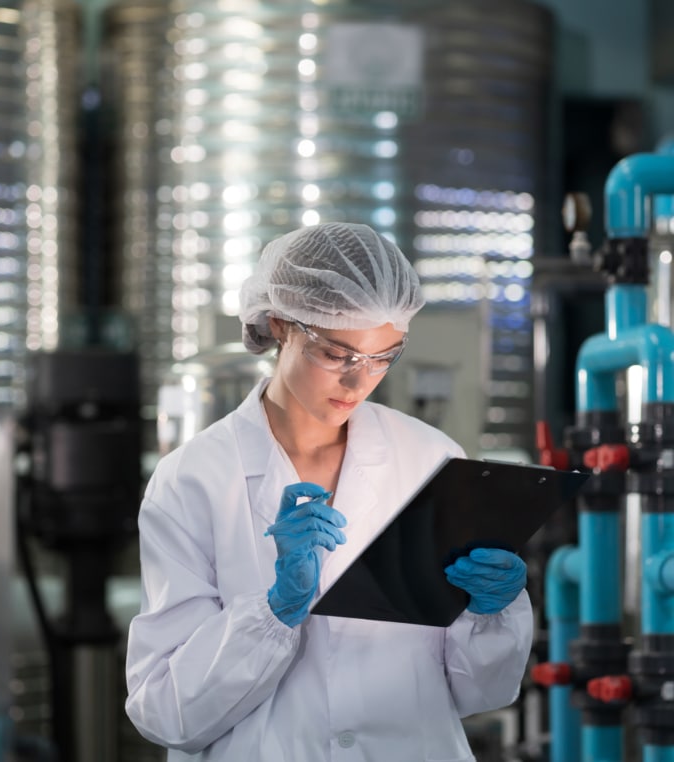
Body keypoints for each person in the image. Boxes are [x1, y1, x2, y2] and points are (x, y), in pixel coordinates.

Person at [125, 222, 533, 761]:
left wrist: (491, 614)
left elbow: (478, 692)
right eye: (339, 354)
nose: (358, 381)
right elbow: (167, 713)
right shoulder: (193, 480)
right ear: (280, 325)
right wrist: (272, 614)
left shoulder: (430, 459)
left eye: (383, 357)